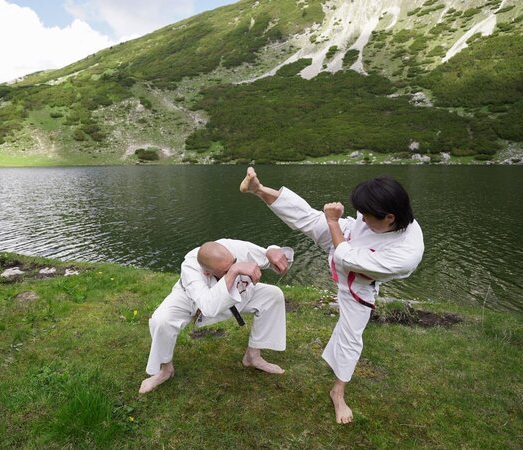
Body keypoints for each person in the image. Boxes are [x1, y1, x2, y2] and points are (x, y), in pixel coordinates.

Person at [240, 167, 424, 424]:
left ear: (390, 218)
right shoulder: (382, 211)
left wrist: (333, 222)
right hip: (346, 237)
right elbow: (347, 232)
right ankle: (258, 189)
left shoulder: (405, 254)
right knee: (307, 217)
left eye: (367, 216)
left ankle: (337, 392)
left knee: (350, 336)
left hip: (357, 282)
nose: (362, 219)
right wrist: (335, 223)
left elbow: (345, 257)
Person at [139, 239, 293, 394]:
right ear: (207, 272)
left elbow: (266, 254)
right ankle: (166, 370)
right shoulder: (190, 268)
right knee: (161, 321)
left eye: (234, 262)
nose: (233, 267)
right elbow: (208, 307)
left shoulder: (232, 247)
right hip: (190, 300)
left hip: (236, 293)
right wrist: (235, 270)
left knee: (272, 295)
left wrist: (273, 253)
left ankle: (253, 357)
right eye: (226, 270)